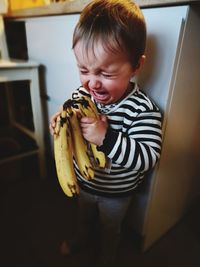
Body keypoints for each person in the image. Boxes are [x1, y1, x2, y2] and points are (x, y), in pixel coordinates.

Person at [50, 0, 162, 266]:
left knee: (111, 229)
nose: (92, 82)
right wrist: (60, 125)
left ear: (136, 66)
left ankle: (107, 254)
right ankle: (82, 237)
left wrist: (106, 137)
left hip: (117, 193)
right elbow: (71, 128)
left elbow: (148, 157)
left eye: (106, 72)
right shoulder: (82, 95)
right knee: (84, 218)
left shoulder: (142, 110)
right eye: (84, 70)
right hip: (84, 182)